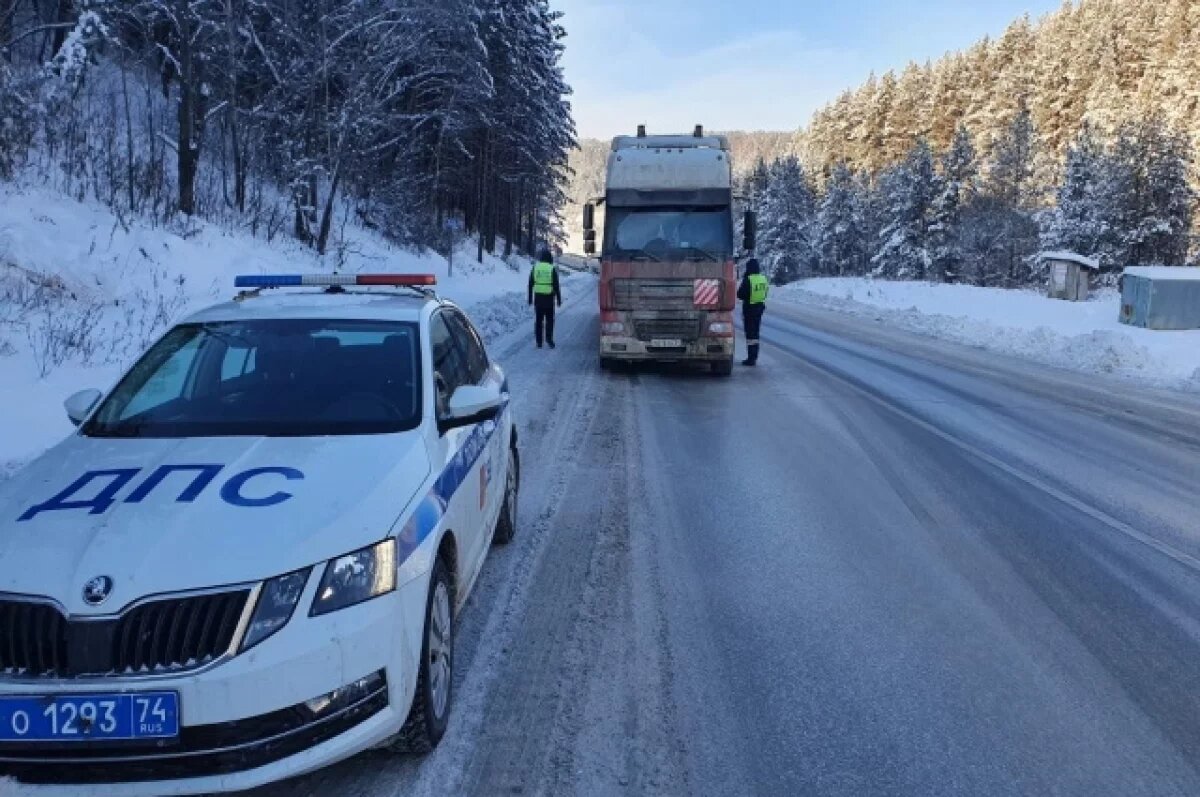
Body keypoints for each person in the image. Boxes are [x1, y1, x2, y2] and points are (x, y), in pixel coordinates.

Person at [736, 258, 769, 366]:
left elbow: (740, 294)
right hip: (759, 308)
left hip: (749, 309)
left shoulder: (748, 279)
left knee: (750, 334)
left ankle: (751, 358)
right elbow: (766, 292)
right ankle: (754, 356)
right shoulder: (763, 278)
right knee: (755, 333)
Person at [528, 249, 562, 349]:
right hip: (549, 299)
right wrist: (559, 299)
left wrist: (530, 298)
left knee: (538, 321)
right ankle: (549, 339)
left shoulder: (536, 267)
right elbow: (556, 286)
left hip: (538, 298)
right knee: (550, 320)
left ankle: (539, 342)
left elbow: (530, 284)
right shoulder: (552, 268)